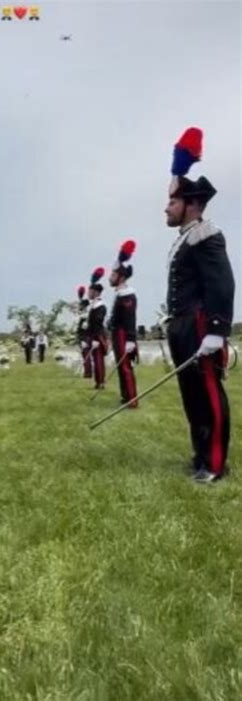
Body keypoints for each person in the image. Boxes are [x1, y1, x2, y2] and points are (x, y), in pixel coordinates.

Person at [164, 126, 235, 483]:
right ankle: (200, 454)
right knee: (191, 396)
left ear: (191, 204)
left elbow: (222, 283)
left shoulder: (207, 235)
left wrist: (218, 332)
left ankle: (216, 463)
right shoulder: (184, 239)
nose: (166, 207)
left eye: (172, 202)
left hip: (201, 327)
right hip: (181, 327)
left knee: (207, 393)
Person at [109, 240, 138, 407]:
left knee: (125, 366)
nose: (110, 278)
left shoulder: (127, 295)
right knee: (121, 367)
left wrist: (130, 339)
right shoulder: (120, 293)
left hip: (122, 334)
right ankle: (126, 396)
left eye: (113, 275)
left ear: (121, 277)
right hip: (116, 333)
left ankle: (132, 399)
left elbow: (130, 319)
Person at [86, 267, 107, 390]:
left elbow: (98, 323)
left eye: (91, 291)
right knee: (95, 359)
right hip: (93, 335)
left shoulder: (100, 306)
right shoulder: (93, 305)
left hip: (98, 336)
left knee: (99, 359)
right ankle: (98, 381)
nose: (89, 294)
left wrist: (95, 338)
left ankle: (101, 382)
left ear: (96, 292)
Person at [76, 285, 92, 378]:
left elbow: (84, 328)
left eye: (81, 305)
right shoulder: (83, 314)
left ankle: (88, 373)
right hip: (82, 337)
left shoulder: (85, 315)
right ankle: (87, 371)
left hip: (85, 337)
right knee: (84, 355)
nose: (79, 307)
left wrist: (83, 339)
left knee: (86, 354)